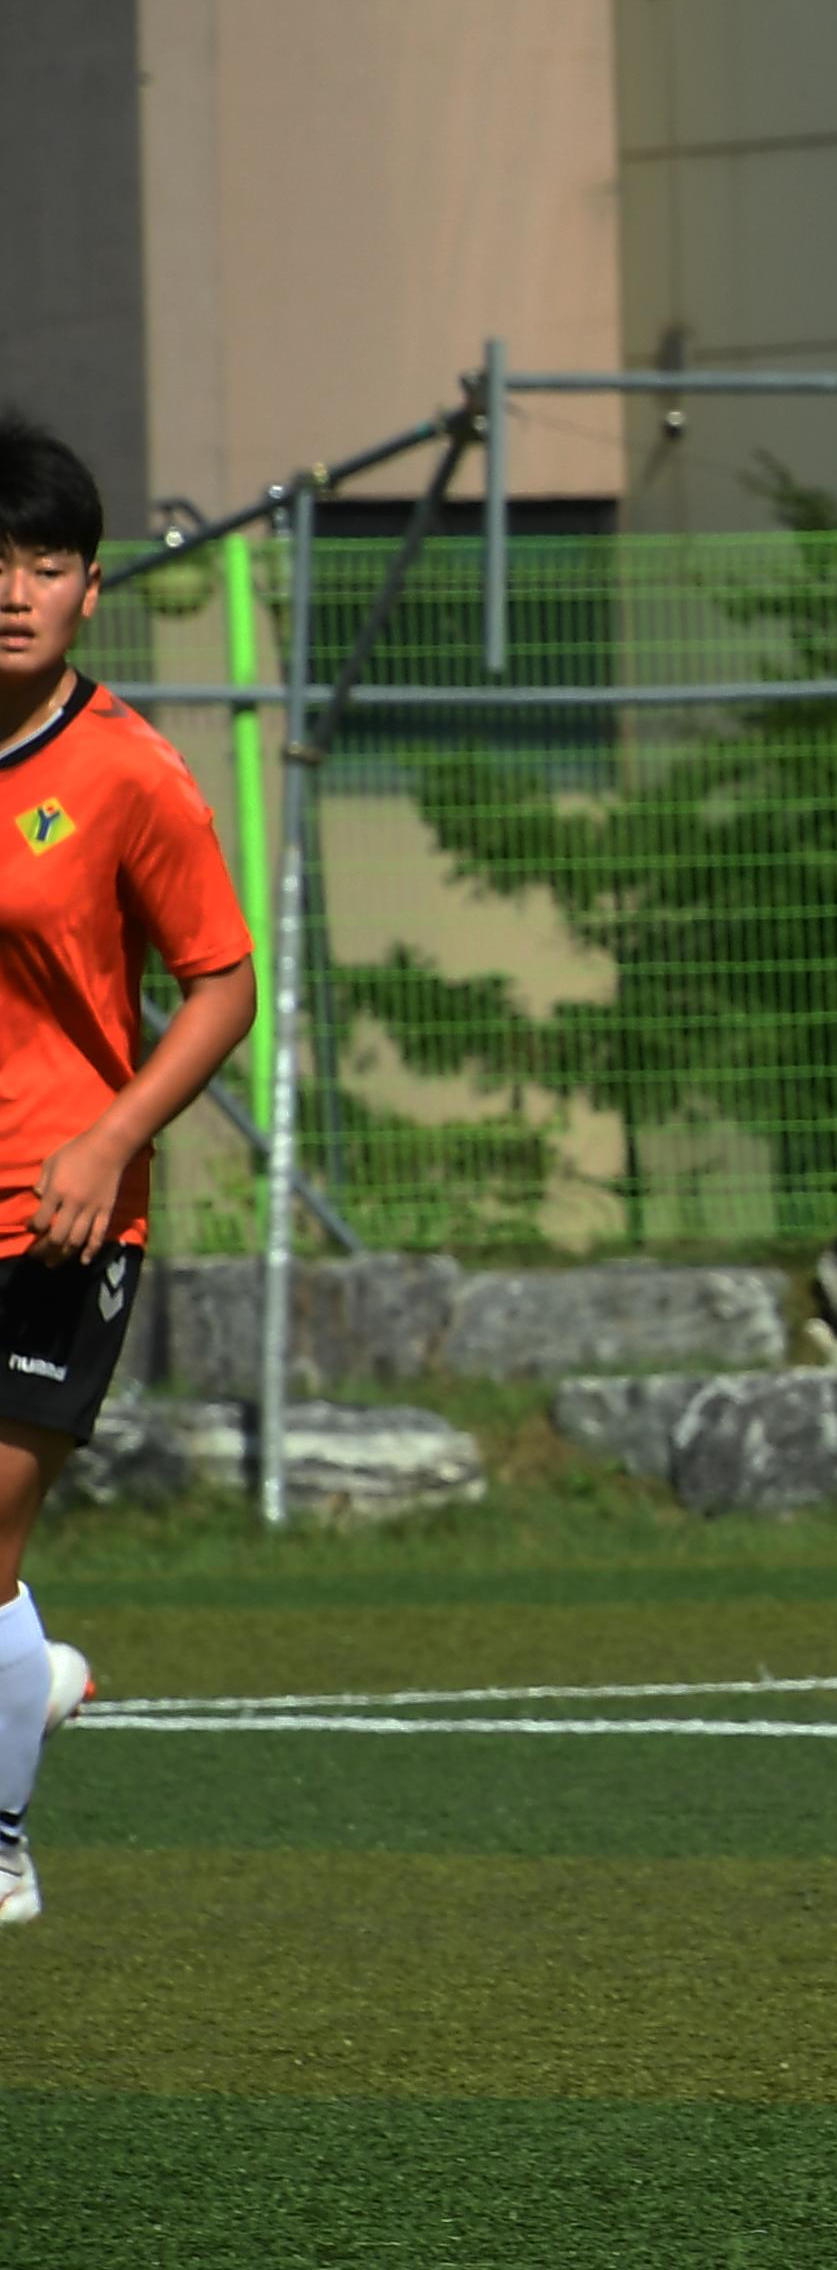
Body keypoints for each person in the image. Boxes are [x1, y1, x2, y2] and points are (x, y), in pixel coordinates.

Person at [0, 412, 259, 1927]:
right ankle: (28, 1679)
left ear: (91, 590)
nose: (15, 588)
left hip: (57, 1210)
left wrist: (112, 1135)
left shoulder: (127, 773)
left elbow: (222, 983)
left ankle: (4, 1843)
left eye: (47, 562)